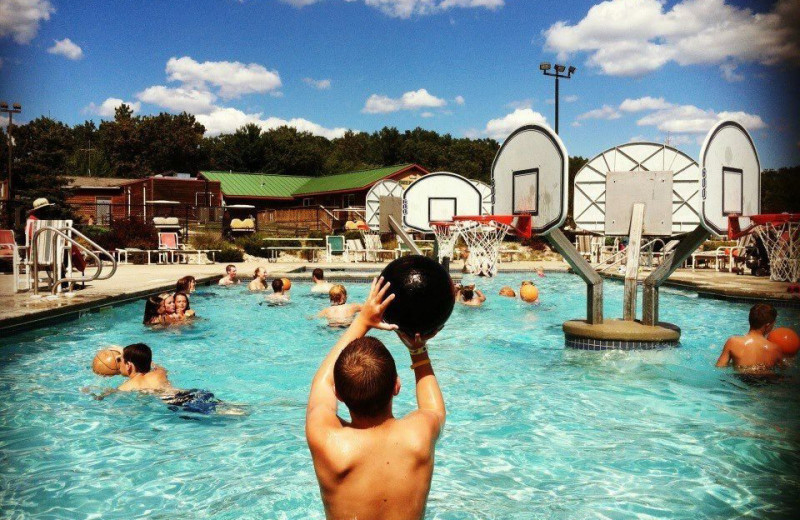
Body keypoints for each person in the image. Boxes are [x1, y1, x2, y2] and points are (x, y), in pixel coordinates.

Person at [306, 277, 445, 520]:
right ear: (396, 386)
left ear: (338, 393)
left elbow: (322, 383)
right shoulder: (421, 433)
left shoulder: (326, 439)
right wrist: (418, 350)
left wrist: (362, 322)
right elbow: (433, 407)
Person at [716, 303, 784, 371]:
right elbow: (782, 369)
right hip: (766, 379)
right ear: (768, 325)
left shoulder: (732, 342)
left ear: (750, 319)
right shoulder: (775, 349)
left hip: (740, 378)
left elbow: (719, 367)